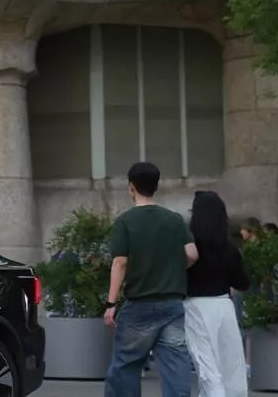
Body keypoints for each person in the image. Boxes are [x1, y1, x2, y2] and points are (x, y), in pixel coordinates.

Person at [103, 162, 198, 397]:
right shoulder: (174, 219)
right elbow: (192, 254)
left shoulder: (125, 221)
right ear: (156, 186)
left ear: (131, 187)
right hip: (172, 304)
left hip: (139, 304)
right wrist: (174, 269)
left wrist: (111, 303)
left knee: (126, 365)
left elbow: (120, 262)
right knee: (175, 365)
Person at [185, 191, 249, 397]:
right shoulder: (230, 250)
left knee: (207, 367)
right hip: (224, 306)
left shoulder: (191, 250)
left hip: (195, 306)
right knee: (230, 366)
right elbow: (243, 283)